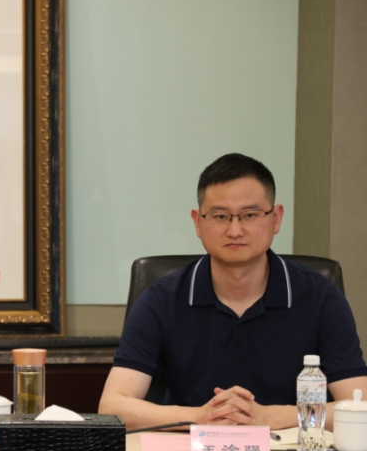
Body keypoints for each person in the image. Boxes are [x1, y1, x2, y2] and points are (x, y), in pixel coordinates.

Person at [99, 154, 367, 430]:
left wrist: (273, 417)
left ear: (276, 219)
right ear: (198, 222)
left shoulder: (321, 298)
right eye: (220, 216)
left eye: (250, 215)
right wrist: (202, 417)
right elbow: (112, 407)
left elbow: (361, 407)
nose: (235, 230)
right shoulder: (160, 300)